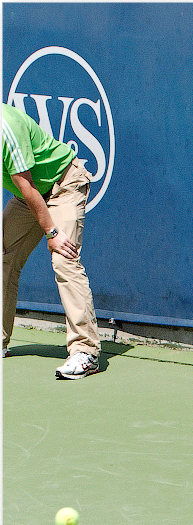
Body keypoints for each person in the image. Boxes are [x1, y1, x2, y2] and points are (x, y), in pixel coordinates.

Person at [2, 102, 101, 378]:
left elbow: (27, 185)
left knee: (64, 257)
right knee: (3, 255)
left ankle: (86, 351)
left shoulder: (5, 127)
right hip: (29, 196)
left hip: (63, 185)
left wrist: (52, 232)